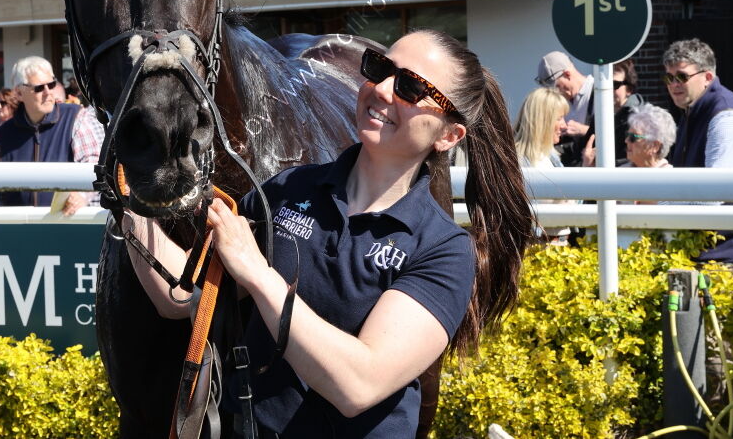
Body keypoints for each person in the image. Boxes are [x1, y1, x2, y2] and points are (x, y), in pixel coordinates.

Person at [122, 30, 534, 437]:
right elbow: (185, 298)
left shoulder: (443, 249)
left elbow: (358, 385)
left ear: (448, 135)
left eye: (411, 87)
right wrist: (131, 202)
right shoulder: (289, 189)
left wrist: (257, 273)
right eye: (379, 69)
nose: (383, 89)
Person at [664, 38, 733, 263]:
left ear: (708, 77)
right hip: (707, 251)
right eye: (669, 78)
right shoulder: (692, 111)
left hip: (731, 257)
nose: (674, 84)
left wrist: (658, 205)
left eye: (682, 76)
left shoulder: (725, 116)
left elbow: (713, 195)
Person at [0, 56, 98, 215]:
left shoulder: (76, 117)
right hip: (19, 229)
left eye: (51, 84)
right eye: (39, 88)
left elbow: (93, 163)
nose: (48, 93)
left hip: (67, 223)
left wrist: (81, 195)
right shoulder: (5, 132)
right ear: (19, 93)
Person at [514, 87, 575, 245]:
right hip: (537, 248)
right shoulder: (516, 161)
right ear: (543, 120)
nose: (564, 125)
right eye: (559, 118)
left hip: (557, 246)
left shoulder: (552, 156)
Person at [582, 57, 649, 167]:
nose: (608, 89)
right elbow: (583, 148)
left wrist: (598, 161)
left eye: (615, 85)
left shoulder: (638, 119)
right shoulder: (599, 114)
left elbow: (632, 158)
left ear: (629, 89)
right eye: (602, 84)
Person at [535, 51, 592, 166]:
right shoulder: (560, 100)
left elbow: (618, 135)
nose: (556, 93)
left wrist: (583, 130)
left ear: (567, 74)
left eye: (557, 87)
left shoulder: (602, 94)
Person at [621, 103, 677, 169]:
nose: (626, 141)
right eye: (627, 135)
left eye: (633, 137)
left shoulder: (671, 177)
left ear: (655, 146)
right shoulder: (618, 174)